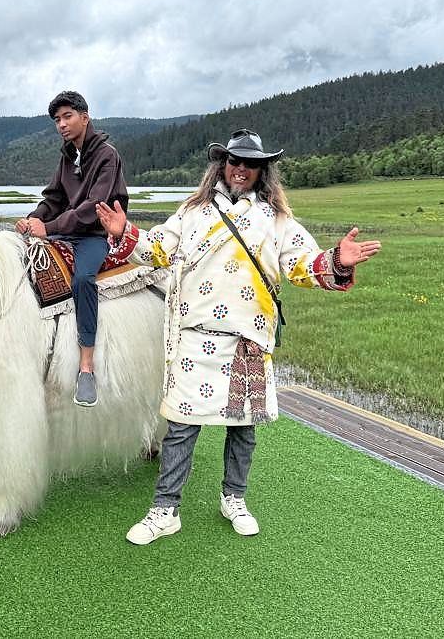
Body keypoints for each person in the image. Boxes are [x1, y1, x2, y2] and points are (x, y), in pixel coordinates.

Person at [95, 127, 381, 544]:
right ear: (222, 166)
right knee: (181, 425)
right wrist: (126, 232)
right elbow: (158, 250)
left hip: (247, 338)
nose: (240, 169)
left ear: (262, 171)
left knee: (242, 427)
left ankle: (234, 497)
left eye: (250, 163)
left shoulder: (278, 221)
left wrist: (336, 260)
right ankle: (165, 509)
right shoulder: (192, 212)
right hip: (195, 335)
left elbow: (302, 263)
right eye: (234, 161)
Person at [16, 90, 129, 407]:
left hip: (94, 234)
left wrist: (48, 228)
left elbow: (95, 206)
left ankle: (86, 366)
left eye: (67, 116)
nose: (62, 124)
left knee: (82, 280)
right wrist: (33, 219)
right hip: (65, 233)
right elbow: (53, 199)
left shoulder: (107, 155)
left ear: (85, 116)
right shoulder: (68, 157)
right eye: (57, 120)